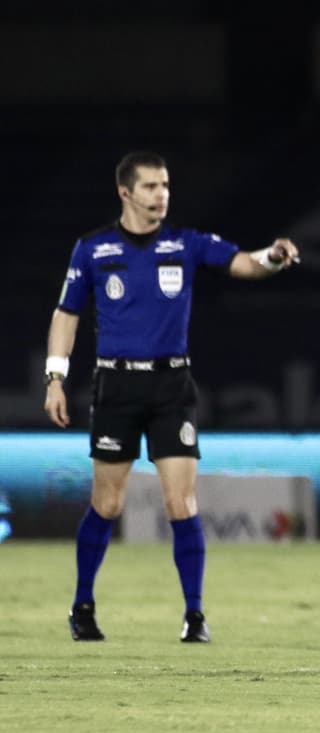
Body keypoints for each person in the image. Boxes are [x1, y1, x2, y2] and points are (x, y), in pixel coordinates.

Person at [43, 151, 301, 643]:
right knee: (108, 502)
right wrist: (55, 377)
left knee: (181, 502)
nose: (161, 195)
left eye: (165, 186)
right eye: (150, 187)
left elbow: (244, 264)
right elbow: (66, 314)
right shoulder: (93, 250)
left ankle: (195, 616)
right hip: (116, 386)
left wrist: (272, 257)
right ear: (125, 193)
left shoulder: (186, 243)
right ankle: (82, 606)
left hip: (171, 387)